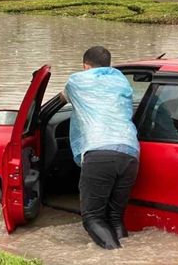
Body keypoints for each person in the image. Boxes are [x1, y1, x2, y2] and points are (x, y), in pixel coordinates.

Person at [60, 46, 140, 250]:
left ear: (85, 65)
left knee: (92, 218)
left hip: (100, 152)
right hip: (131, 153)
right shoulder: (120, 81)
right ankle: (131, 255)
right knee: (115, 217)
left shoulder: (77, 81)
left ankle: (117, 258)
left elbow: (62, 98)